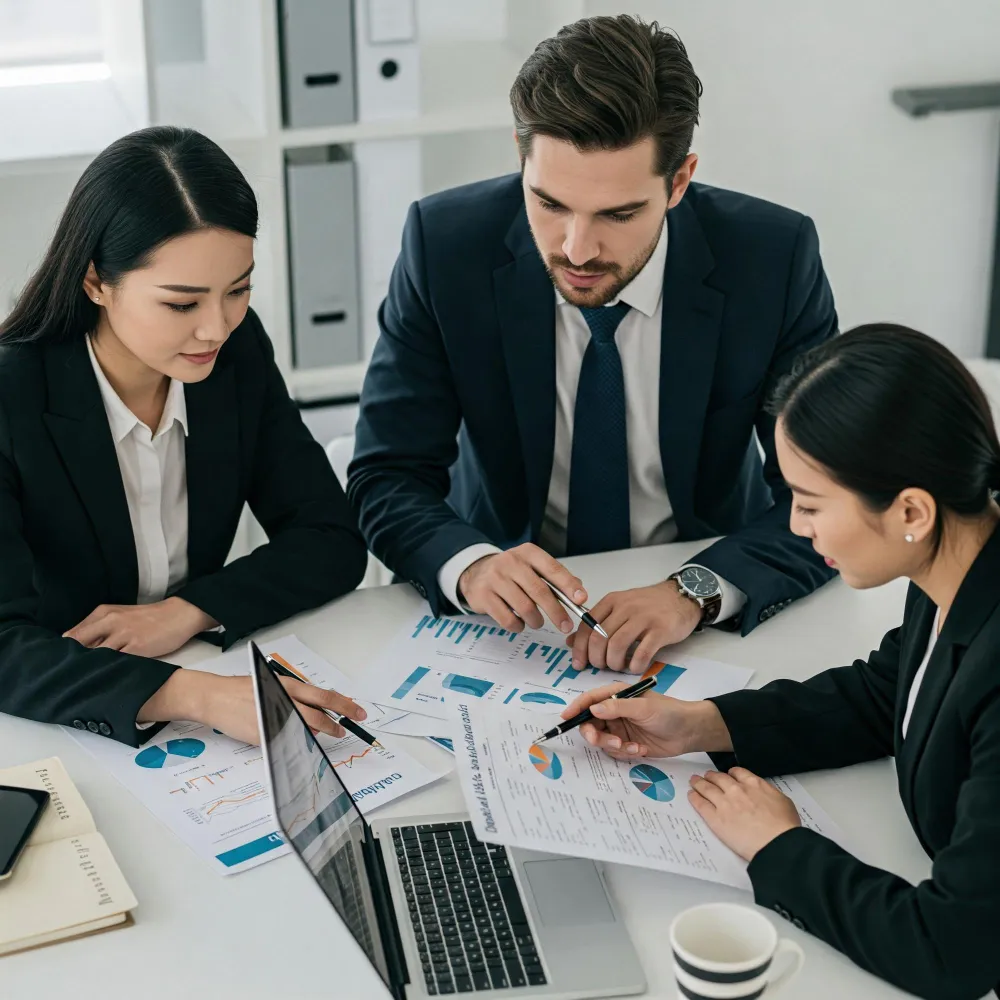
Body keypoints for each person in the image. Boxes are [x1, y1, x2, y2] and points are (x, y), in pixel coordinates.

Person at [348, 14, 838, 677]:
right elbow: (387, 474)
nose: (577, 249)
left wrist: (693, 591)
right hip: (511, 617)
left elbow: (833, 492)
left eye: (618, 214)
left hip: (702, 594)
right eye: (549, 204)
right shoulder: (445, 246)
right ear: (521, 159)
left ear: (680, 180)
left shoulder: (772, 260)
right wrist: (471, 566)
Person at [564, 323, 1000, 1000]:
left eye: (812, 503)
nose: (797, 527)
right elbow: (889, 694)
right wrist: (702, 726)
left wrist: (778, 846)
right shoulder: (959, 562)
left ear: (910, 508)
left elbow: (951, 951)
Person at [0, 126, 369, 748]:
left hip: (203, 663)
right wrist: (195, 695)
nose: (216, 328)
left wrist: (187, 612)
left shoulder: (236, 354)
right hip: (60, 716)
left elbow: (331, 537)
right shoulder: (12, 397)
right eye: (181, 304)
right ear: (96, 282)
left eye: (239, 290)